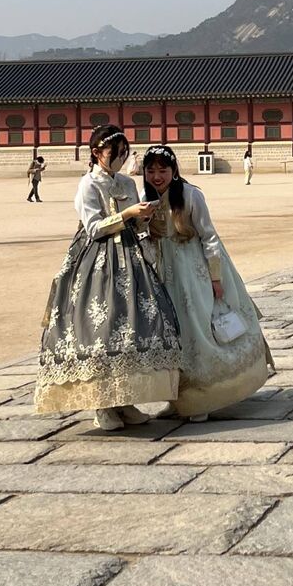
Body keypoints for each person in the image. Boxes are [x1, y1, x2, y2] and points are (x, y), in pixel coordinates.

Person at [34, 125, 181, 430]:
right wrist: (127, 215)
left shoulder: (126, 181)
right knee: (99, 325)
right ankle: (101, 403)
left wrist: (144, 218)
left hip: (130, 256)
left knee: (131, 325)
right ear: (96, 153)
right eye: (115, 153)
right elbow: (93, 228)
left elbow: (138, 227)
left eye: (124, 152)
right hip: (96, 260)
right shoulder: (89, 184)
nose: (120, 157)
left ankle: (125, 399)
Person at [142, 145, 273, 420]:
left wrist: (216, 278)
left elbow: (210, 237)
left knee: (197, 331)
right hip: (164, 274)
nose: (157, 176)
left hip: (193, 272)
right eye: (151, 170)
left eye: (162, 170)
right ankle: (177, 399)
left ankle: (204, 398)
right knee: (171, 335)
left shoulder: (191, 196)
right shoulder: (145, 199)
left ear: (174, 171)